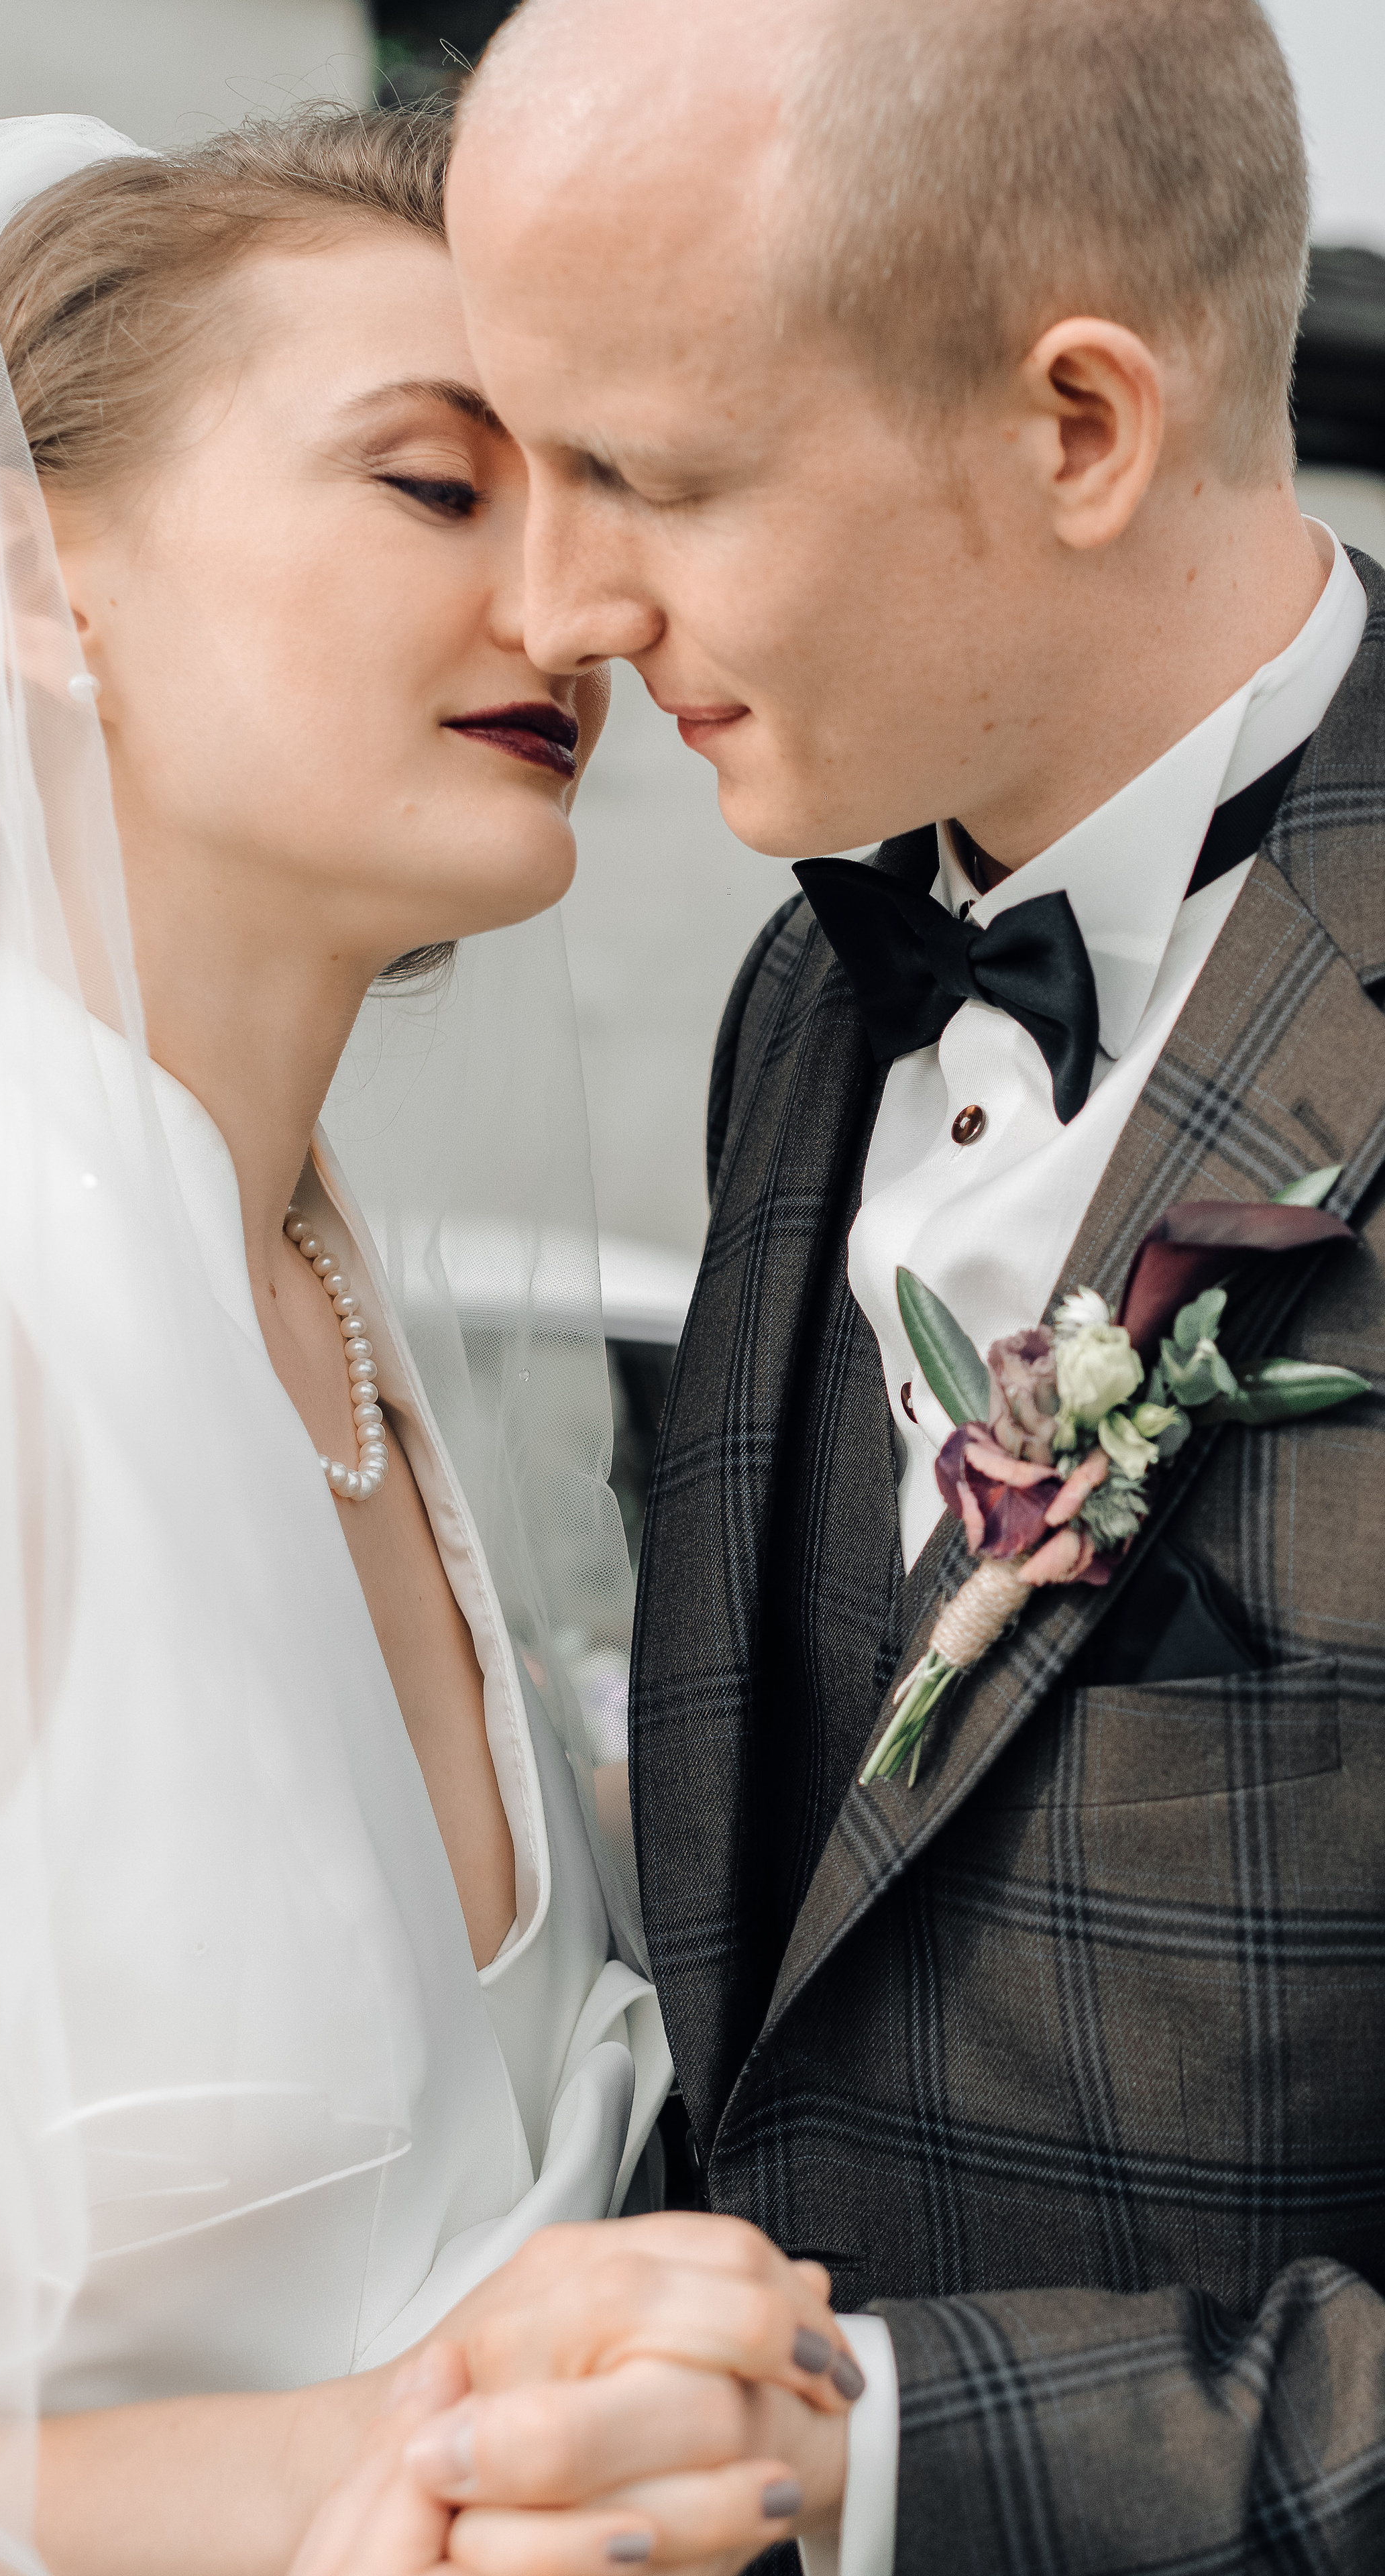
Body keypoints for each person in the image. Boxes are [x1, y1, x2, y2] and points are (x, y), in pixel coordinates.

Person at [0, 105, 863, 2573]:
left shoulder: (322, 1304)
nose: (576, 616)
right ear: (30, 580)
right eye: (437, 488)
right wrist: (396, 2460)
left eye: (596, 503)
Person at [443, 0, 1385, 2567]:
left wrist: (887, 2456)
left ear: (1077, 426)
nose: (559, 600)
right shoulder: (813, 984)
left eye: (653, 470)